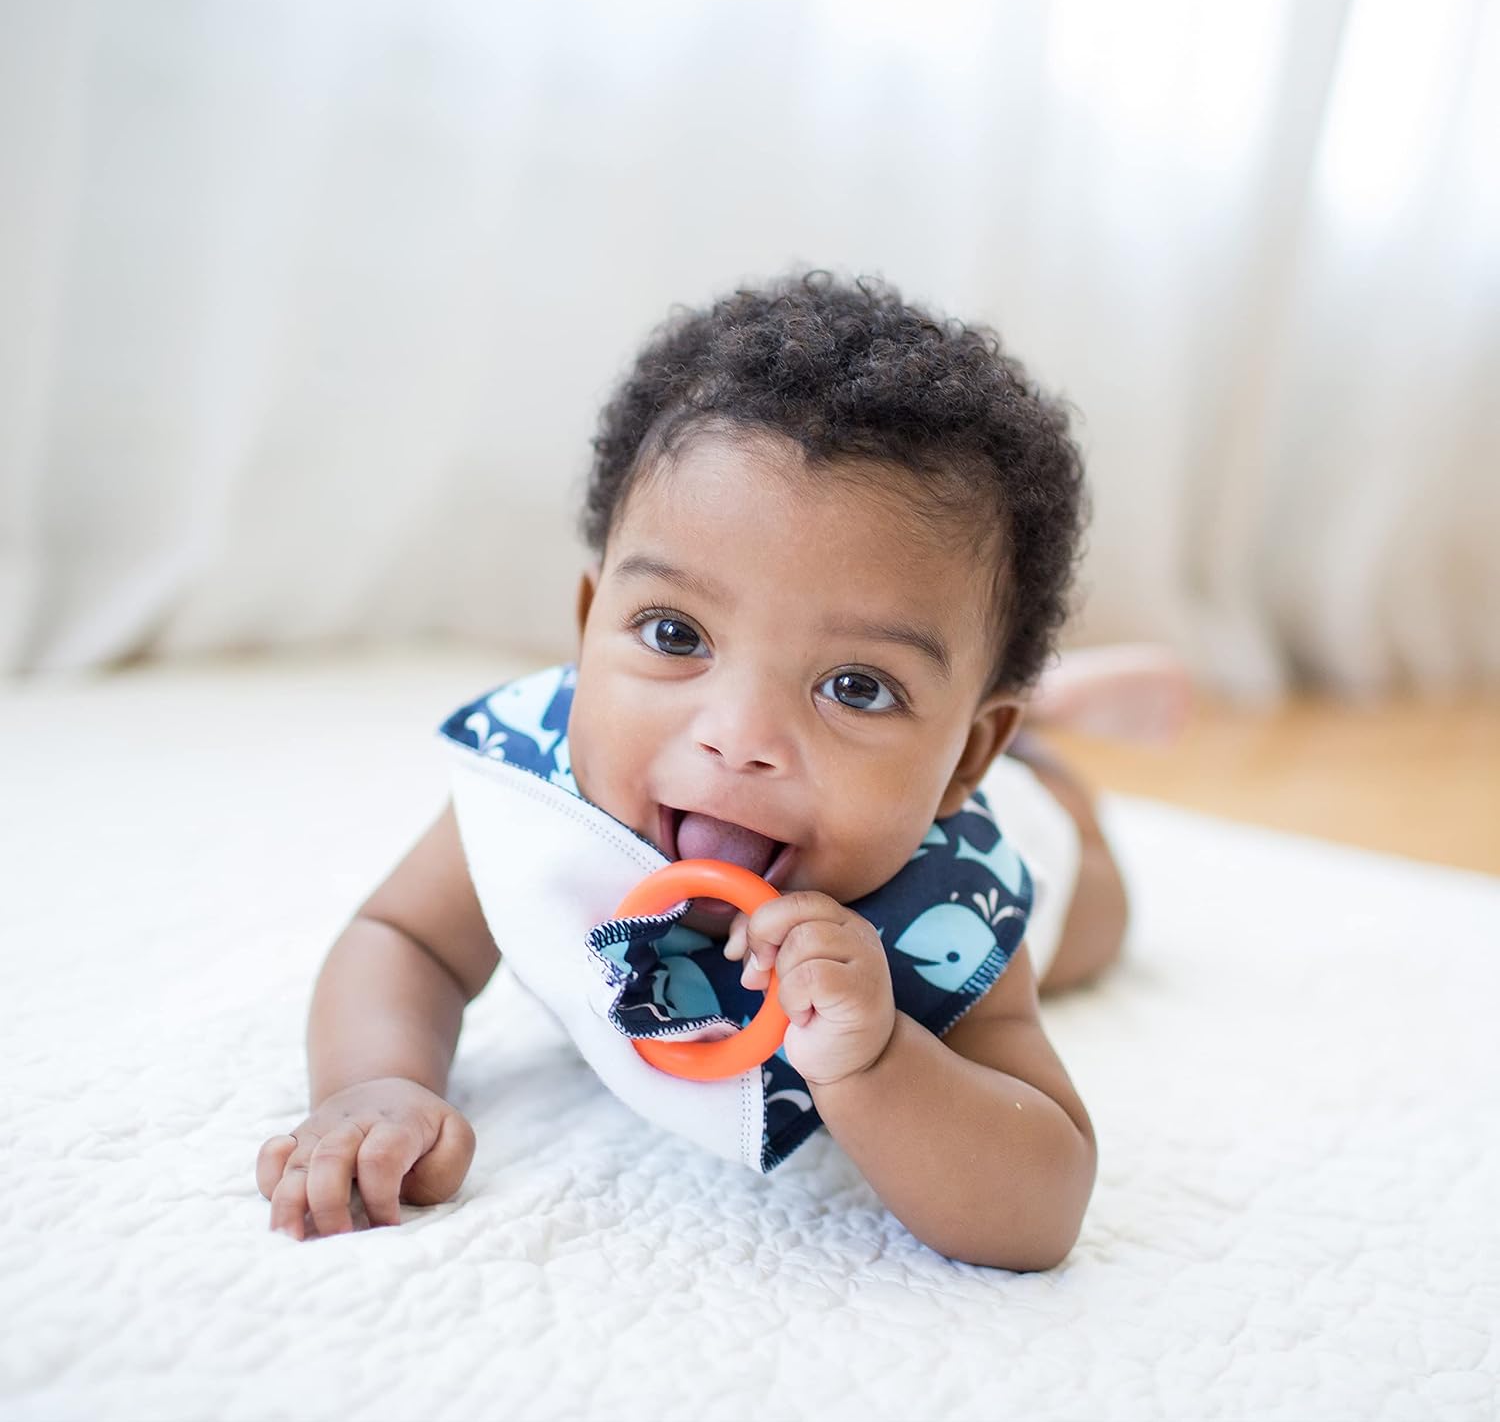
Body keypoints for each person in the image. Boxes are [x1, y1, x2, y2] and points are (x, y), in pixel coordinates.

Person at [255, 273, 1190, 1268]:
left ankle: (1046, 745)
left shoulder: (949, 910)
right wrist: (376, 1082)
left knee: (1098, 915)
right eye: (674, 633)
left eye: (856, 685)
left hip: (1014, 824)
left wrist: (879, 1057)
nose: (738, 735)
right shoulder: (538, 788)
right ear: (587, 630)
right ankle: (997, 698)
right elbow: (407, 939)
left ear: (964, 754)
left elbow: (1039, 1211)